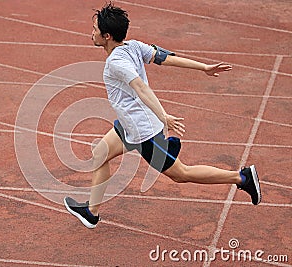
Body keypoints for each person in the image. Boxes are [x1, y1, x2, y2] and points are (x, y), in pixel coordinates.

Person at [64, 2, 261, 229]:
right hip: (131, 125)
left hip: (143, 131)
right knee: (100, 154)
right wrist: (203, 67)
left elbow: (141, 88)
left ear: (107, 36)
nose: (92, 33)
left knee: (180, 174)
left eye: (95, 30)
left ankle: (242, 178)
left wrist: (164, 116)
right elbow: (165, 58)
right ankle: (91, 212)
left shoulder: (116, 63)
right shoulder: (134, 46)